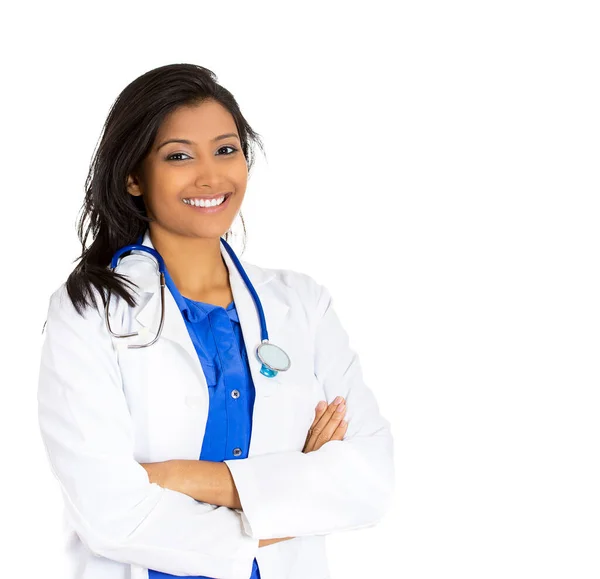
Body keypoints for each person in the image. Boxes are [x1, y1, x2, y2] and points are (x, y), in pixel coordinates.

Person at [37, 63, 394, 579]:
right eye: (179, 156)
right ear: (133, 176)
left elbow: (370, 482)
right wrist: (297, 486)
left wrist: (178, 478)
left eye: (226, 150)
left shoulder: (303, 304)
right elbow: (109, 515)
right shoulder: (89, 312)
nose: (210, 176)